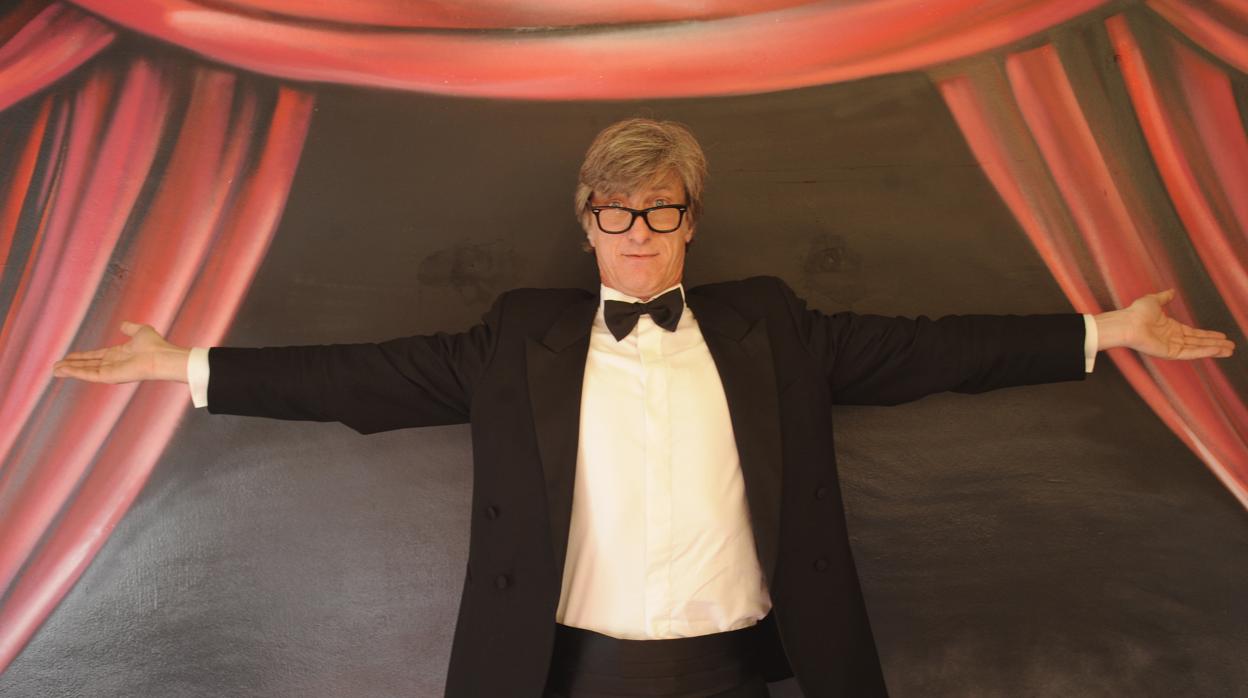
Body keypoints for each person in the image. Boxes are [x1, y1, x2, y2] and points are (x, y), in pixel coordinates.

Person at [53, 118, 1234, 697]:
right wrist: (184, 364)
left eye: (659, 212)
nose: (635, 234)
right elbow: (360, 375)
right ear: (586, 223)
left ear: (690, 221)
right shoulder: (519, 338)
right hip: (565, 673)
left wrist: (1105, 330)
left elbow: (938, 350)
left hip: (740, 670)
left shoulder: (774, 326)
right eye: (613, 214)